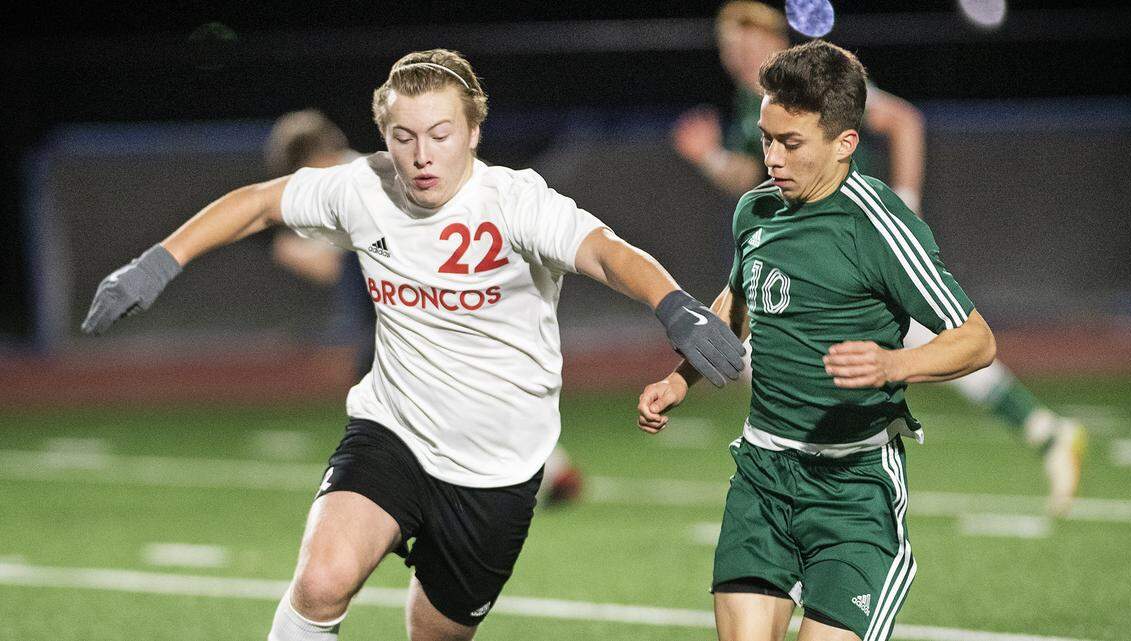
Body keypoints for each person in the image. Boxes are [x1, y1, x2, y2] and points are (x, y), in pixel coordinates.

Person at [81, 49, 745, 641]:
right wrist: (159, 261)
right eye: (404, 136)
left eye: (440, 134)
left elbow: (605, 252)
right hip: (391, 432)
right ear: (384, 138)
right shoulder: (361, 188)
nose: (423, 155)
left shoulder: (513, 202)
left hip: (498, 468)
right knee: (319, 583)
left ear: (474, 133)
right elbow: (258, 203)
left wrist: (676, 307)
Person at [639, 40, 996, 641]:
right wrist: (681, 378)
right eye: (765, 138)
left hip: (853, 489)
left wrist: (893, 363)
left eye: (790, 143)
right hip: (763, 474)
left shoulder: (879, 225)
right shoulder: (755, 213)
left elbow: (977, 340)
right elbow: (737, 307)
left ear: (844, 144)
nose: (770, 157)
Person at [673, 0, 1085, 516]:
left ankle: (823, 465)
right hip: (804, 249)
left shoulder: (814, 85)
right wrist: (709, 156)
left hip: (854, 245)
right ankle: (1044, 432)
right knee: (785, 351)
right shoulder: (751, 99)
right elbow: (748, 174)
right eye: (728, 49)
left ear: (772, 42)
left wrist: (907, 206)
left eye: (745, 45)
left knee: (937, 341)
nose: (735, 57)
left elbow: (904, 120)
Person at [264, 109, 583, 505]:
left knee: (426, 407)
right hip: (421, 308)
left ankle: (525, 472)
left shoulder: (357, 181)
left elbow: (352, 256)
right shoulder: (365, 173)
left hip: (419, 311)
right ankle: (538, 468)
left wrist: (293, 250)